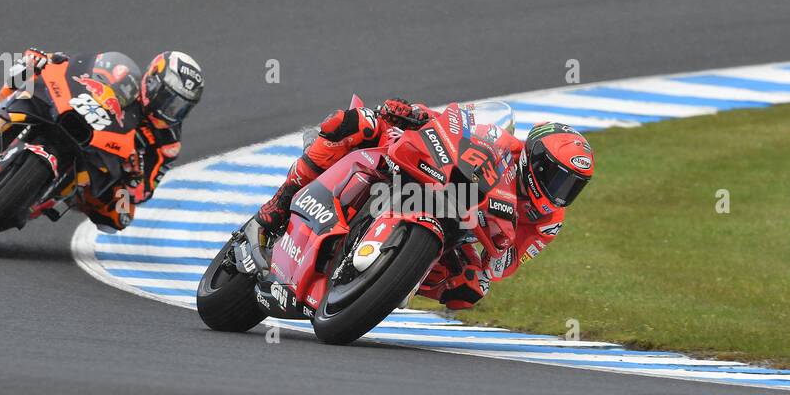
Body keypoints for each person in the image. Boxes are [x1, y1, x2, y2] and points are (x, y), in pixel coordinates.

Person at [254, 100, 594, 309]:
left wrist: (487, 253)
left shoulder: (548, 221)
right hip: (423, 170)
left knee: (472, 287)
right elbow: (454, 124)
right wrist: (414, 113)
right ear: (534, 160)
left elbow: (502, 264)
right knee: (354, 123)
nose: (558, 191)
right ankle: (281, 203)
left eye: (570, 186)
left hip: (458, 226)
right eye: (555, 177)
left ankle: (390, 279)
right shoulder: (503, 143)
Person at [0, 47, 203, 231]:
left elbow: (143, 191)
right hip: (77, 120)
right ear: (153, 82)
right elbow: (82, 69)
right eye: (168, 99)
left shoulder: (168, 143)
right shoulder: (124, 75)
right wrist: (53, 61)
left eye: (180, 107)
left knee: (119, 218)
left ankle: (50, 195)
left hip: (103, 169)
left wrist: (134, 176)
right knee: (27, 68)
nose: (170, 110)